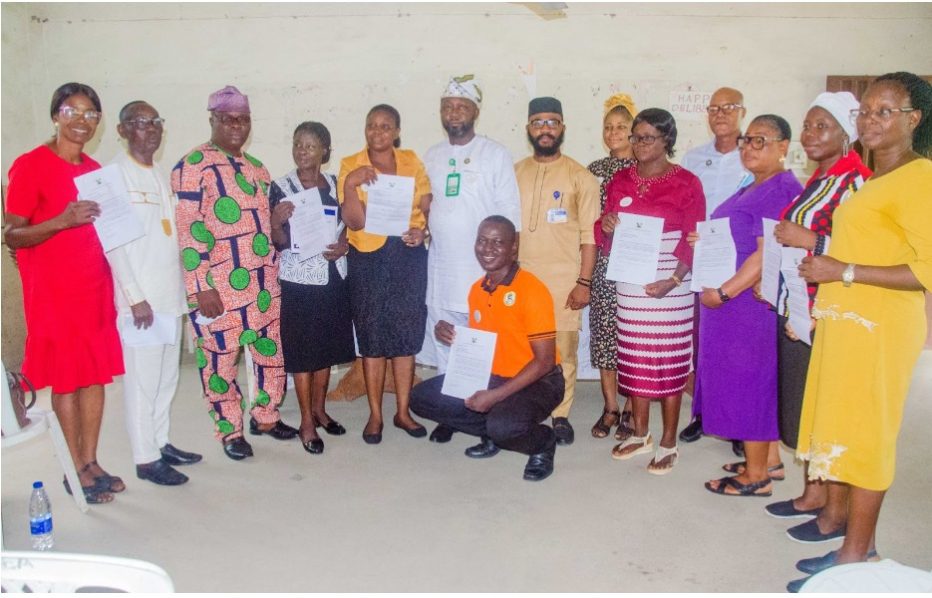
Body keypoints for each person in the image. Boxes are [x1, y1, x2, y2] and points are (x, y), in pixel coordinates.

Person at [787, 72, 932, 592]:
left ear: (914, 119)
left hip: (880, 327)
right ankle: (843, 531)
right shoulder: (875, 178)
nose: (870, 120)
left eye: (884, 111)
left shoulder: (919, 178)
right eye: (865, 111)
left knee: (869, 438)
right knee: (844, 429)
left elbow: (925, 269)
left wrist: (841, 271)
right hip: (847, 322)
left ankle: (858, 554)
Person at [4, 82, 124, 503]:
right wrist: (62, 220)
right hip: (55, 294)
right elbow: (11, 234)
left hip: (94, 287)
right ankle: (74, 470)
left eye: (91, 114)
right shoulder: (30, 165)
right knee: (67, 381)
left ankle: (91, 461)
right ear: (56, 115)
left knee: (94, 377)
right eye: (72, 111)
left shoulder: (94, 170)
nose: (82, 121)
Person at [764, 93, 872, 543]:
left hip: (828, 313)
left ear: (846, 133)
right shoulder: (821, 178)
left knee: (829, 415)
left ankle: (835, 513)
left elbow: (866, 253)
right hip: (798, 308)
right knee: (805, 409)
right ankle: (812, 494)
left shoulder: (857, 182)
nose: (810, 134)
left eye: (821, 126)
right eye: (807, 126)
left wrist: (811, 240)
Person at [172, 85, 296, 461]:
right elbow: (188, 231)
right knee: (220, 362)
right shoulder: (193, 166)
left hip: (263, 285)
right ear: (212, 119)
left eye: (243, 119)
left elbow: (266, 226)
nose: (236, 126)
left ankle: (266, 416)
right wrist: (200, 287)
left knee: (270, 355)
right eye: (228, 119)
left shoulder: (258, 169)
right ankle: (230, 431)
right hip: (220, 287)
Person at [410, 216, 564, 481]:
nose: (487, 249)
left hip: (538, 381)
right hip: (493, 376)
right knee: (421, 398)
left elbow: (544, 361)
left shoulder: (532, 289)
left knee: (504, 426)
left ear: (513, 248)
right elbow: (485, 341)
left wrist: (495, 396)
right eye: (482, 241)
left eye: (497, 242)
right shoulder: (477, 290)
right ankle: (491, 432)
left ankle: (542, 443)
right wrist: (450, 333)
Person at [595, 108, 705, 474]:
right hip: (631, 283)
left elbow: (694, 237)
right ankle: (641, 435)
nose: (640, 143)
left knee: (668, 362)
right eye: (636, 137)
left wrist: (673, 280)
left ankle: (669, 441)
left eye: (648, 137)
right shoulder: (621, 179)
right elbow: (604, 227)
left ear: (666, 140)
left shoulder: (687, 182)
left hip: (671, 285)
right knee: (636, 359)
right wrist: (607, 224)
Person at [698, 114, 802, 496]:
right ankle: (768, 461)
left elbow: (765, 253)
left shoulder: (778, 188)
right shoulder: (755, 184)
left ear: (783, 147)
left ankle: (755, 478)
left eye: (760, 140)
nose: (749, 148)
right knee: (755, 381)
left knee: (750, 383)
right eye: (747, 140)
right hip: (738, 304)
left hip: (746, 307)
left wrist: (724, 292)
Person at [418, 74, 522, 444]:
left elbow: (510, 215)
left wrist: (508, 273)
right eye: (448, 106)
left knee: (485, 351)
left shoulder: (494, 154)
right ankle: (451, 415)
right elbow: (424, 208)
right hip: (442, 272)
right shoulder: (431, 156)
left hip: (483, 273)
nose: (454, 112)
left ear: (475, 111)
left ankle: (488, 422)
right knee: (446, 346)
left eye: (461, 106)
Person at [106, 100, 202, 485]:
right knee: (142, 382)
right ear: (122, 130)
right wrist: (134, 296)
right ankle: (145, 459)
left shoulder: (160, 172)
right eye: (141, 122)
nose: (151, 129)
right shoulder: (115, 175)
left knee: (165, 379)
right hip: (141, 302)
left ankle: (161, 442)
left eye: (156, 122)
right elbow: (113, 243)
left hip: (169, 297)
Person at [339, 104, 431, 444]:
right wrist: (351, 186)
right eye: (371, 125)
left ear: (397, 132)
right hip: (368, 260)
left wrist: (423, 231)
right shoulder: (350, 164)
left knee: (405, 336)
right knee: (373, 338)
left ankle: (403, 412)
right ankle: (376, 415)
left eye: (385, 126)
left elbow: (426, 204)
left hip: (407, 255)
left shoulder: (411, 160)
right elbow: (355, 222)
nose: (377, 132)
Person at [515, 96, 600, 446]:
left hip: (564, 281)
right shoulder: (514, 173)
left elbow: (590, 236)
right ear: (528, 129)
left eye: (552, 122)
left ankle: (560, 415)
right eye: (538, 122)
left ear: (562, 127)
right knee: (522, 352)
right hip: (521, 280)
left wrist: (584, 282)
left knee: (563, 353)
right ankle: (524, 409)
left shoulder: (581, 177)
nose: (545, 129)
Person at [269, 122, 356, 455]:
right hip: (300, 281)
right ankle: (307, 421)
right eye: (297, 144)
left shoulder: (335, 184)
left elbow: (346, 226)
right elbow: (278, 241)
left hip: (333, 277)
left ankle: (320, 410)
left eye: (309, 145)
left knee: (326, 350)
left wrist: (344, 245)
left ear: (325, 151)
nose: (302, 151)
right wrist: (276, 221)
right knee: (304, 352)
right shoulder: (281, 186)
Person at [678, 86, 752, 444]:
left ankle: (739, 425)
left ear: (742, 112)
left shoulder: (753, 155)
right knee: (703, 344)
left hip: (743, 264)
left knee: (740, 348)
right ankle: (704, 413)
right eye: (714, 108)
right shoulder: (693, 158)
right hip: (704, 263)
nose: (720, 114)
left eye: (729, 107)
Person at [587, 93, 638, 440]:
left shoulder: (645, 168)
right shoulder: (593, 171)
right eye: (608, 127)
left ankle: (634, 407)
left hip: (637, 263)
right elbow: (586, 220)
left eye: (621, 127)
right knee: (605, 334)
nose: (613, 133)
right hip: (604, 263)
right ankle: (610, 407)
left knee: (633, 335)